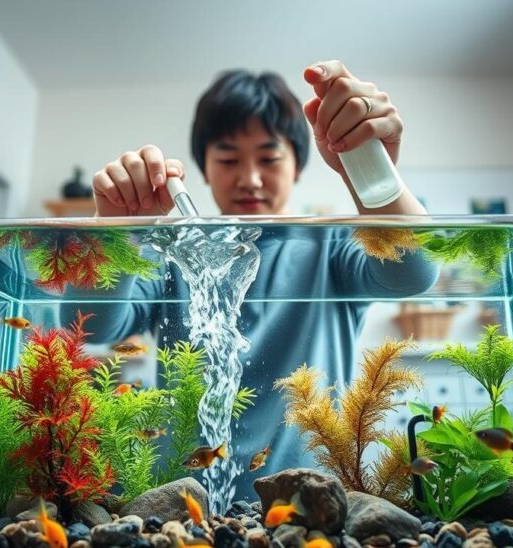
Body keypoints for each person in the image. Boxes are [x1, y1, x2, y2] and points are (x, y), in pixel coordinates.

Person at [74, 61, 438, 499]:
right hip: (182, 512)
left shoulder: (331, 245)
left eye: (268, 158)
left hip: (314, 514)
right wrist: (115, 233)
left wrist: (369, 171)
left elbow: (414, 273)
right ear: (204, 170)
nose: (249, 178)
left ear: (299, 166)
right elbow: (92, 326)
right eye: (228, 159)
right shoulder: (173, 253)